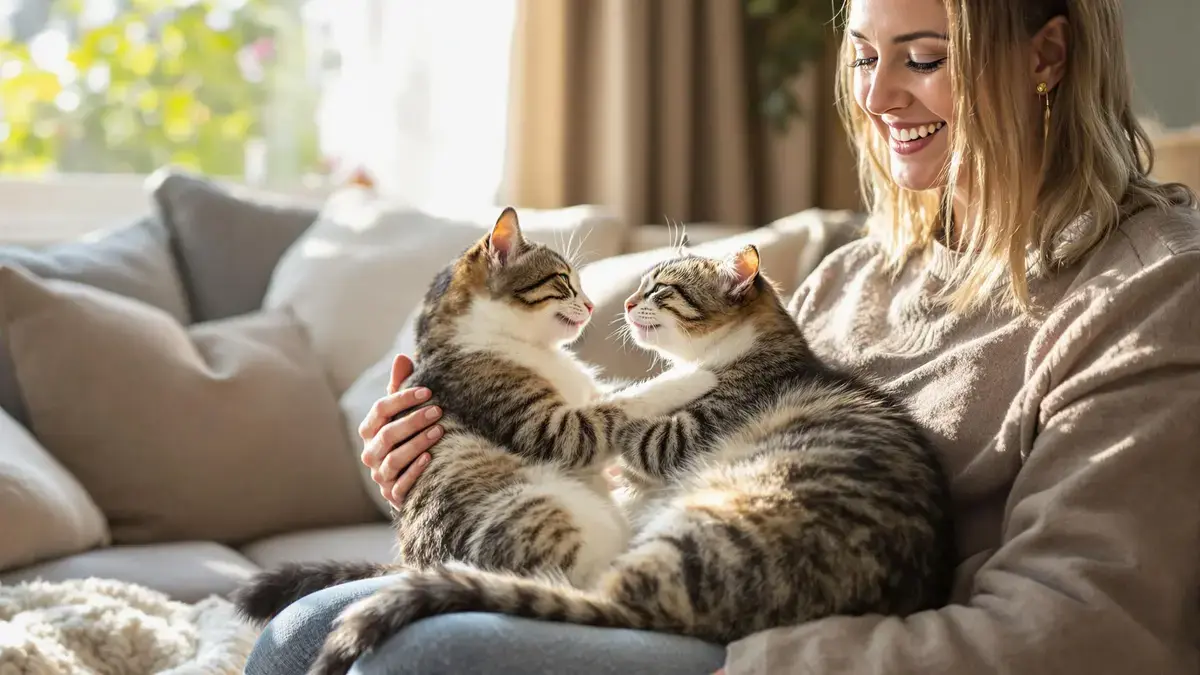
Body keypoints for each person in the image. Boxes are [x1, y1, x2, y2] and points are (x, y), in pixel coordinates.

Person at [244, 0, 1200, 672]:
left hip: (807, 650)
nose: (877, 99)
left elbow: (1084, 637)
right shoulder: (859, 274)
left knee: (421, 656)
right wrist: (468, 462)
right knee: (299, 632)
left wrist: (728, 654)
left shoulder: (1154, 286)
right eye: (864, 57)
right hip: (705, 594)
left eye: (923, 56)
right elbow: (678, 476)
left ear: (1045, 57)